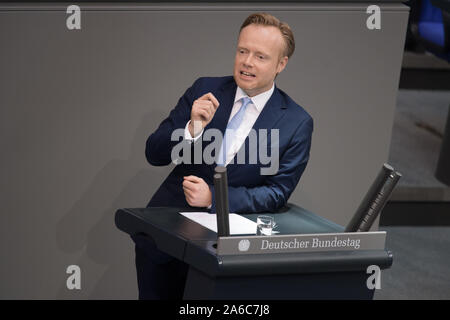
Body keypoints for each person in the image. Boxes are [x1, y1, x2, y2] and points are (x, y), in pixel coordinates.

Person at [132, 12, 314, 299]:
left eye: (260, 56)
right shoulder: (204, 89)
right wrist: (191, 129)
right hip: (165, 239)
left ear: (281, 64)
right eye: (242, 50)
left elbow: (277, 192)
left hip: (228, 252)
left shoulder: (296, 122)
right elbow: (153, 152)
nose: (247, 62)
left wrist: (215, 199)